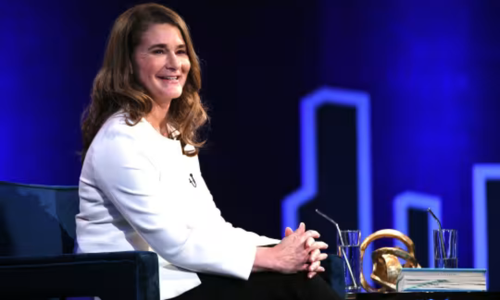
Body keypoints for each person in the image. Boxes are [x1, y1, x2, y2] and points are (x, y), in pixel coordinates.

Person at [76, 3, 341, 300]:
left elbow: (212, 228)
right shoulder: (120, 140)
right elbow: (173, 243)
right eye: (158, 51)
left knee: (313, 271)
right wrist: (273, 259)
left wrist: (286, 249)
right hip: (143, 289)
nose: (175, 64)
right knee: (294, 285)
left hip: (184, 277)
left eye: (180, 51)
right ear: (129, 63)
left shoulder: (176, 136)